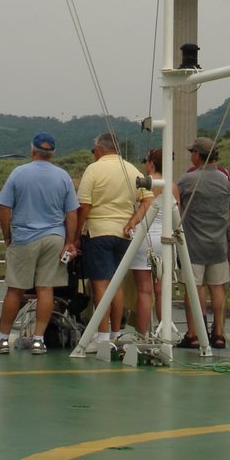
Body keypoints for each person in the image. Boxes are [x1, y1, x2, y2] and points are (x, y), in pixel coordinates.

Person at [0, 133, 78, 355]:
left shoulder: (19, 173)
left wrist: (7, 235)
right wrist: (69, 241)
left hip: (24, 237)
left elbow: (4, 208)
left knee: (15, 289)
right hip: (54, 237)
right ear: (53, 153)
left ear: (33, 150)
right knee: (46, 288)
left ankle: (2, 339)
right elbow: (71, 213)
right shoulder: (63, 176)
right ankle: (38, 339)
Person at [76, 132, 152, 350]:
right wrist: (132, 221)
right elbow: (148, 198)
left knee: (100, 284)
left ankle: (101, 336)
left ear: (99, 149)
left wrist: (77, 234)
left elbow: (85, 206)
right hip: (123, 234)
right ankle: (116, 332)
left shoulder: (94, 169)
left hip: (98, 232)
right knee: (116, 284)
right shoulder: (131, 169)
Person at [176, 137, 230, 349]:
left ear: (197, 155)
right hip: (218, 244)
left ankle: (195, 333)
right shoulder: (225, 179)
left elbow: (174, 201)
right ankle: (218, 333)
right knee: (217, 288)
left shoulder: (189, 180)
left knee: (194, 287)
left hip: (193, 244)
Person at [123, 148, 180, 336]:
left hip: (144, 238)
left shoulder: (144, 184)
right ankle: (164, 333)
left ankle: (143, 334)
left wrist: (131, 222)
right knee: (162, 290)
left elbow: (141, 208)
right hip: (166, 239)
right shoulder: (172, 186)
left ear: (152, 163)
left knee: (144, 291)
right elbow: (176, 216)